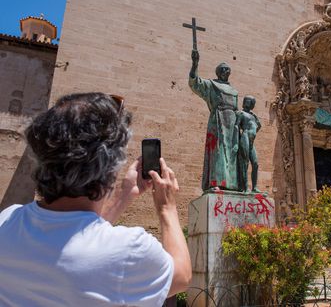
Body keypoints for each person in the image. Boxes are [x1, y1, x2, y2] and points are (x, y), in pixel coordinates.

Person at [0, 93, 191, 307]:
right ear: (109, 170)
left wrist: (124, 195)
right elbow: (181, 276)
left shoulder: (7, 221)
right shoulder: (129, 250)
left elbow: (78, 234)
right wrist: (167, 207)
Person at [189, 50, 239, 191]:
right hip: (218, 121)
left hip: (232, 124)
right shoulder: (211, 85)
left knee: (233, 152)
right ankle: (217, 182)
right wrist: (195, 64)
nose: (225, 71)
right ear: (218, 72)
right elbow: (195, 84)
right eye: (223, 69)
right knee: (218, 151)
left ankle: (232, 184)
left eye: (227, 69)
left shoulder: (234, 91)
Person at [236, 96, 261, 192]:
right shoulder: (241, 113)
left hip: (251, 141)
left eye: (250, 101)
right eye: (247, 101)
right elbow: (236, 127)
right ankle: (245, 187)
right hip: (245, 137)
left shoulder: (254, 116)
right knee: (245, 163)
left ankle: (254, 187)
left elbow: (258, 126)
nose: (248, 102)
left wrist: (253, 133)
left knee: (255, 164)